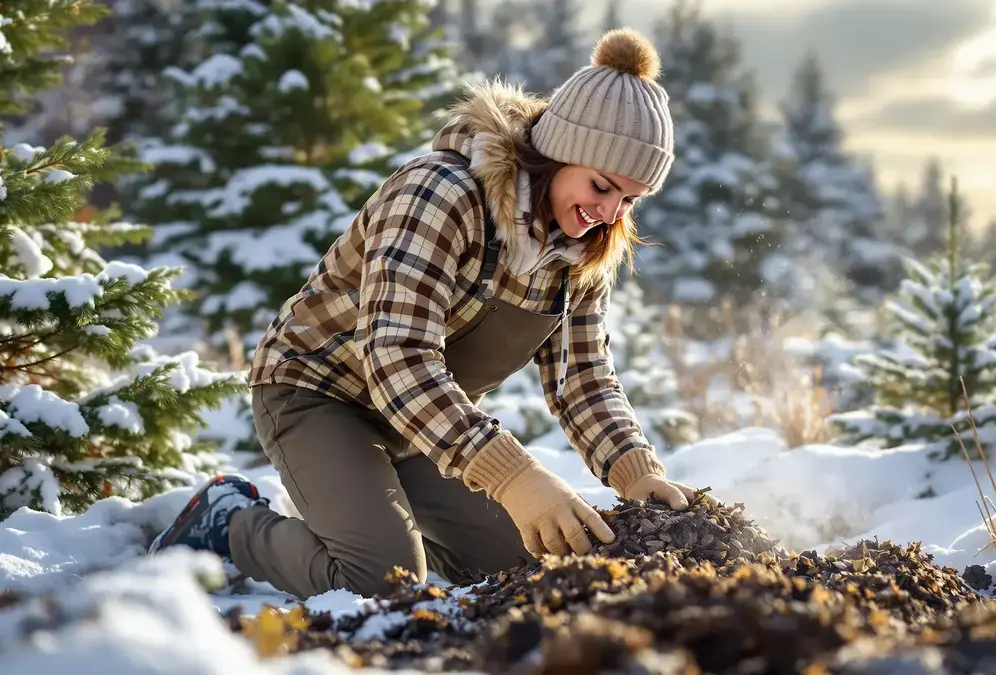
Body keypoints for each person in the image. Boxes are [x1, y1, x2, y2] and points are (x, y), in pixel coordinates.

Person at [147, 27, 699, 600]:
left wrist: (636, 471)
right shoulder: (440, 193)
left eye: (629, 200)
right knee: (381, 583)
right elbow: (396, 355)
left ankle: (376, 525)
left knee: (525, 558)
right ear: (559, 151)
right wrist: (513, 476)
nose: (609, 214)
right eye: (602, 185)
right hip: (318, 392)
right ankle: (231, 522)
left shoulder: (579, 251)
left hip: (424, 424)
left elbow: (582, 379)